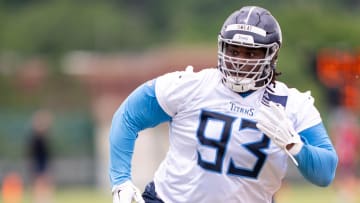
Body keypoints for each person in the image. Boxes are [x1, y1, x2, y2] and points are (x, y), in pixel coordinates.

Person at [109, 5, 338, 203]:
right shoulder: (191, 85)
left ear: (272, 55)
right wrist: (121, 181)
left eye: (251, 53)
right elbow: (128, 116)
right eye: (234, 50)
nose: (239, 60)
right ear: (222, 47)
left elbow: (326, 172)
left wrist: (295, 146)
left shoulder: (292, 104)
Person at [27, 109, 54, 203]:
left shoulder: (42, 137)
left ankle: (44, 198)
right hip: (38, 162)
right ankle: (39, 199)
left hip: (42, 162)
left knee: (45, 181)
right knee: (40, 182)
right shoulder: (36, 138)